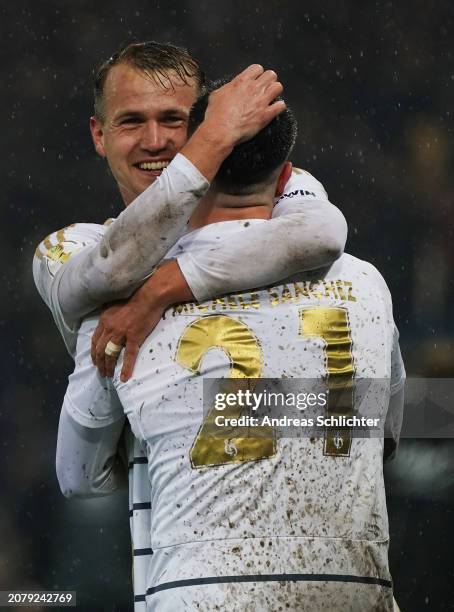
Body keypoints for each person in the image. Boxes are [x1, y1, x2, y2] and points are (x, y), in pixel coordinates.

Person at [57, 83, 405, 611]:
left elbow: (78, 478)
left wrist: (210, 415)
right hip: (355, 594)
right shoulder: (367, 284)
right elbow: (385, 434)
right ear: (287, 176)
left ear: (191, 168)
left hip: (199, 596)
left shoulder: (122, 311)